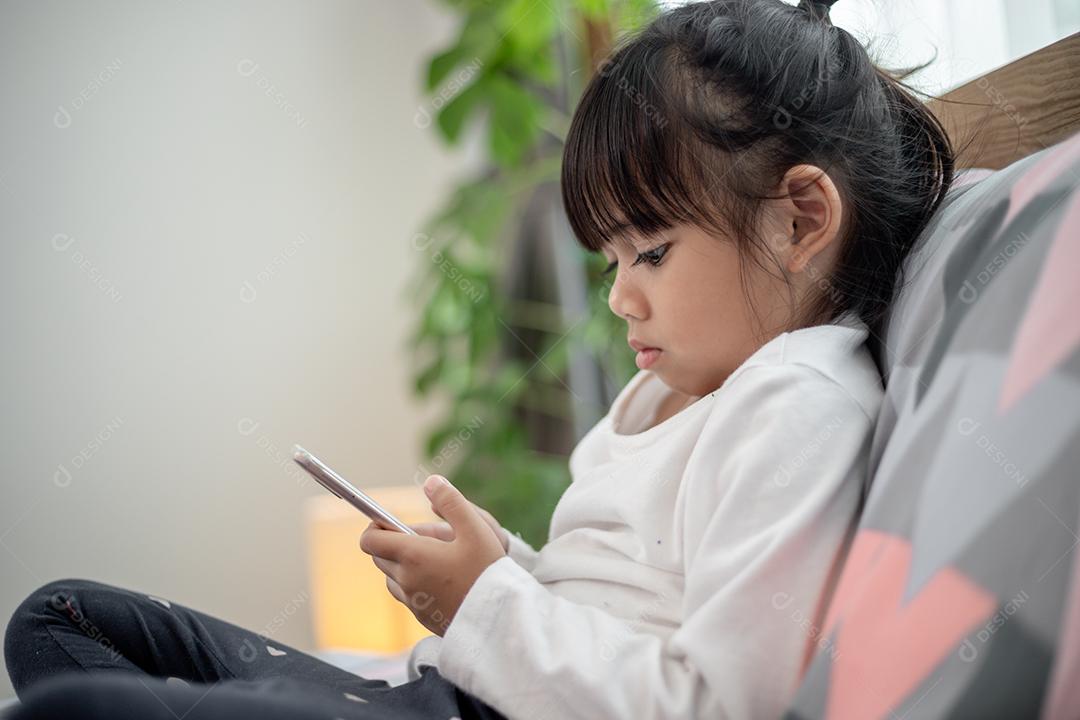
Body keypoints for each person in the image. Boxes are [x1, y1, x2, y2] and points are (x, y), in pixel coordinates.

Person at [4, 0, 955, 717]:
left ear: (802, 219)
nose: (622, 295)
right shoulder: (672, 391)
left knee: (85, 708)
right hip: (445, 690)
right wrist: (508, 567)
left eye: (651, 252)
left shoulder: (797, 402)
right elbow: (615, 604)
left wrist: (484, 604)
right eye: (612, 258)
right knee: (61, 621)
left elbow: (709, 705)